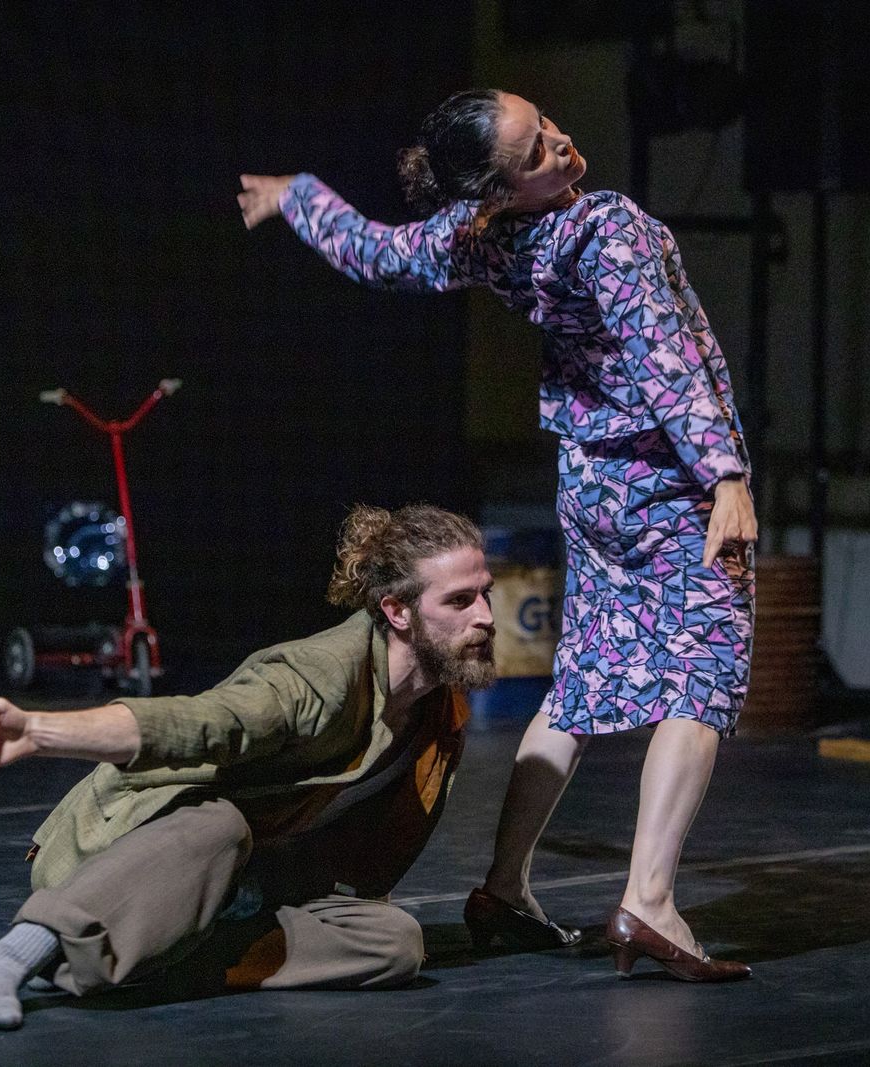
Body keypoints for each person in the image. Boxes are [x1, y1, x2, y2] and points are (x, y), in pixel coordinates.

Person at [238, 88, 756, 982]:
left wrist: (301, 198)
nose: (561, 145)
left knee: (587, 671)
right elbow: (666, 358)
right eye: (535, 153)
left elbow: (379, 253)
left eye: (547, 126)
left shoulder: (487, 238)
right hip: (664, 478)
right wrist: (726, 478)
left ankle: (505, 888)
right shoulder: (607, 232)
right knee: (701, 669)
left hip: (592, 482)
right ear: (498, 190)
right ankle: (650, 900)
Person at [0, 503, 529, 1029]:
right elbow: (197, 722)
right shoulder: (317, 678)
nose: (485, 616)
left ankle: (148, 962)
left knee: (394, 942)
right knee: (220, 824)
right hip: (137, 856)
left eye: (485, 593)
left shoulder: (436, 708)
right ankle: (22, 951)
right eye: (459, 600)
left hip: (247, 884)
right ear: (396, 611)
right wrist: (41, 731)